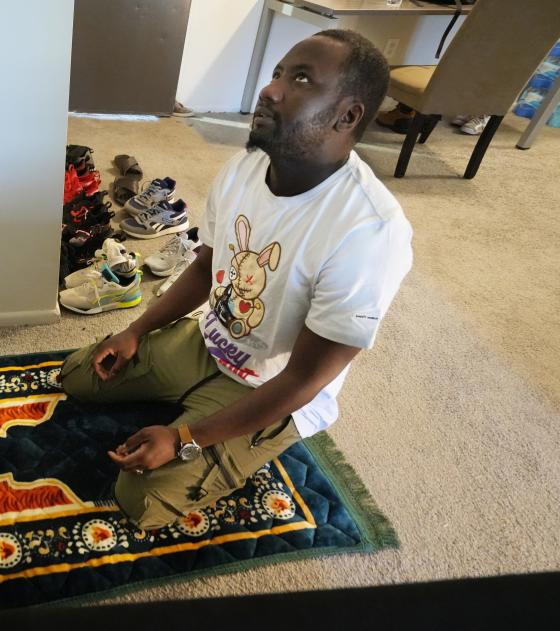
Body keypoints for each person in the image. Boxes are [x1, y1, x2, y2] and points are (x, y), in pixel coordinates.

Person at [60, 29, 413, 530]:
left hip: (273, 386)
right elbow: (206, 267)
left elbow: (305, 380)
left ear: (348, 115)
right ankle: (184, 395)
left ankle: (222, 435)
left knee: (142, 500)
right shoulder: (244, 169)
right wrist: (136, 329)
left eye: (302, 79)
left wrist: (186, 440)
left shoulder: (370, 232)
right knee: (79, 376)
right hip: (213, 338)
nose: (270, 90)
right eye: (276, 74)